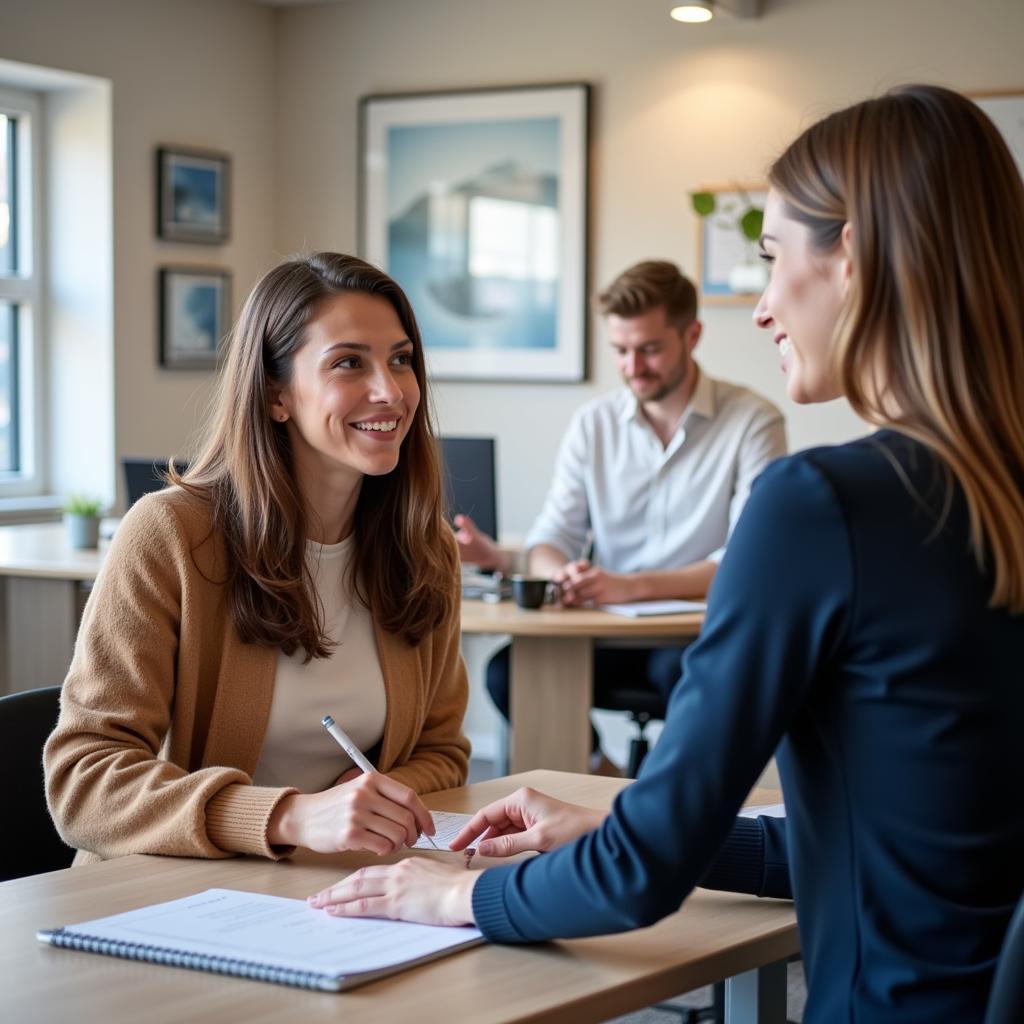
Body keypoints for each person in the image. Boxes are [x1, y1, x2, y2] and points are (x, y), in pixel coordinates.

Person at [308, 86, 1024, 1021]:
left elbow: (639, 880)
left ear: (854, 253)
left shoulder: (821, 506)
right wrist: (621, 818)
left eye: (771, 258)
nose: (763, 308)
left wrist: (455, 895)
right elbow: (903, 840)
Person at [44, 253, 470, 863]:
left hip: (339, 881)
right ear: (276, 395)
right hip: (172, 894)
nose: (390, 391)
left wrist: (371, 794)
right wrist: (289, 816)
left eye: (400, 360)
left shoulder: (425, 547)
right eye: (349, 362)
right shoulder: (170, 535)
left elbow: (443, 750)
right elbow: (83, 783)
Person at [460, 261, 786, 771]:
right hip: (602, 631)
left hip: (693, 636)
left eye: (650, 349)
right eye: (620, 350)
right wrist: (560, 573)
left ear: (692, 335)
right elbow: (552, 537)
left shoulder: (753, 421)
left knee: (697, 680)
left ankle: (662, 805)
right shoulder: (594, 425)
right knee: (509, 673)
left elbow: (746, 563)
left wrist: (628, 585)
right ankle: (600, 775)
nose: (633, 366)